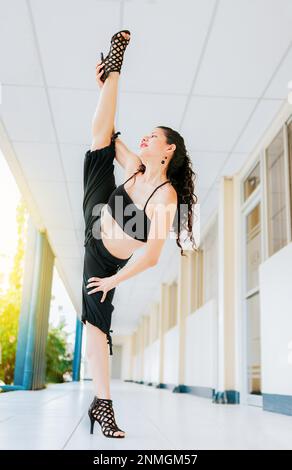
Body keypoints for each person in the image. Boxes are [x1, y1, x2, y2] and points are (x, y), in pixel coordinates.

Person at [83, 30, 197, 438]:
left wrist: (113, 280)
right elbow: (112, 135)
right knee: (101, 141)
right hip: (94, 214)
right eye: (146, 135)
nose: (146, 138)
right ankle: (114, 71)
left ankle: (104, 405)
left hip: (103, 258)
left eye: (154, 137)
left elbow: (150, 258)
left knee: (95, 324)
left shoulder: (165, 196)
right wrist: (104, 90)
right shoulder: (134, 166)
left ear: (168, 151)